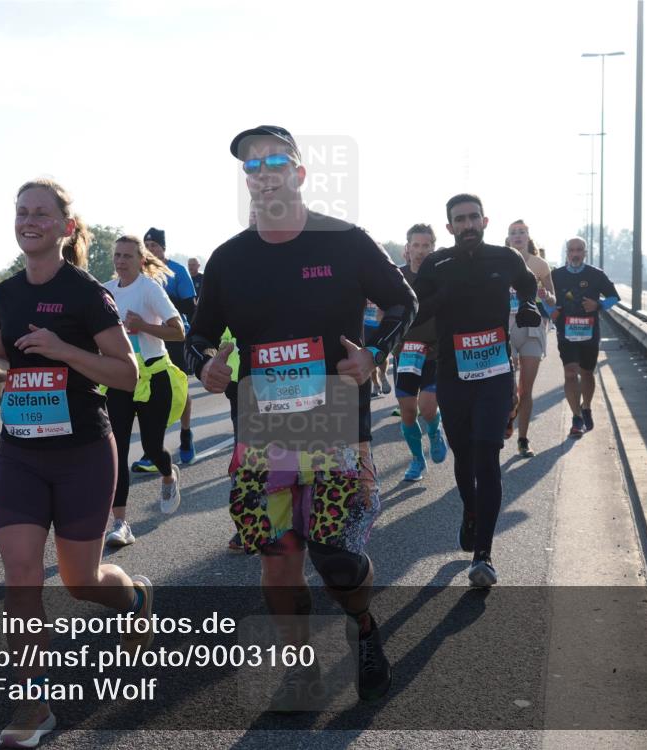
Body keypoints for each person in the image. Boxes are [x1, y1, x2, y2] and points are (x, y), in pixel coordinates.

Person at [187, 125, 416, 707]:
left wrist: (375, 354)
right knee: (280, 559)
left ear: (299, 173)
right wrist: (206, 367)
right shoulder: (229, 258)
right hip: (264, 431)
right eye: (251, 166)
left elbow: (402, 301)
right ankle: (299, 665)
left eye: (274, 161)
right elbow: (199, 335)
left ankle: (363, 627)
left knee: (336, 558)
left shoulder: (344, 241)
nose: (262, 173)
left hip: (337, 419)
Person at [0, 179, 153, 747]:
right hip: (20, 453)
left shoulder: (87, 293)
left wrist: (65, 349)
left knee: (80, 581)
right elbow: (8, 365)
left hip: (82, 456)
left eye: (41, 213)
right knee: (21, 574)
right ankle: (33, 704)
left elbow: (128, 374)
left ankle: (135, 600)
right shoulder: (6, 292)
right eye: (22, 212)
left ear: (65, 227)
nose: (30, 220)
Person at [412, 193, 538, 588]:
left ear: (485, 221)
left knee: (487, 454)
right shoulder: (437, 263)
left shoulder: (505, 259)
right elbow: (418, 309)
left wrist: (530, 306)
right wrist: (441, 298)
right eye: (459, 220)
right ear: (449, 228)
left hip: (496, 371)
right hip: (452, 372)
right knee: (464, 458)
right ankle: (470, 510)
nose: (467, 225)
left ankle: (483, 555)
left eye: (473, 218)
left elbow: (528, 283)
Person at [104, 235, 185, 547]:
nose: (121, 261)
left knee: (152, 448)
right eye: (118, 255)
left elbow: (178, 332)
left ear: (140, 259)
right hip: (121, 379)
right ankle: (121, 523)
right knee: (118, 451)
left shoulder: (150, 288)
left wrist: (142, 326)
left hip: (154, 376)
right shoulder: (107, 292)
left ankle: (167, 475)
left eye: (127, 256)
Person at [132, 228, 199, 468]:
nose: (150, 248)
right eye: (146, 244)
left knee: (179, 389)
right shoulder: (138, 273)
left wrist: (161, 302)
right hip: (145, 339)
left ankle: (185, 432)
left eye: (155, 244)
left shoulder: (177, 271)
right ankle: (152, 449)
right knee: (147, 395)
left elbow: (189, 307)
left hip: (174, 337)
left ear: (163, 248)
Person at [550, 236, 620, 436]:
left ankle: (586, 406)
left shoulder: (596, 275)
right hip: (566, 333)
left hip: (589, 333)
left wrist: (598, 305)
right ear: (567, 252)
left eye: (579, 250)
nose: (575, 253)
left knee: (587, 373)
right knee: (570, 373)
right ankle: (576, 417)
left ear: (585, 253)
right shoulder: (556, 275)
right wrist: (550, 311)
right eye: (571, 249)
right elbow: (543, 297)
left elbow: (614, 297)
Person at [394, 223, 447, 481]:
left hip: (434, 352)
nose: (421, 251)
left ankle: (435, 432)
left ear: (433, 248)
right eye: (416, 245)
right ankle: (417, 459)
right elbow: (386, 311)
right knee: (407, 411)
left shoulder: (440, 276)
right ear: (408, 247)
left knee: (427, 409)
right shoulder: (397, 277)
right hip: (405, 354)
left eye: (426, 245)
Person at [505, 219, 556, 457]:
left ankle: (523, 439)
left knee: (526, 389)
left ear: (528, 237)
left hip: (532, 329)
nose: (518, 236)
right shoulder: (499, 260)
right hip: (505, 328)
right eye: (514, 232)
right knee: (509, 390)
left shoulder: (539, 264)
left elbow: (553, 300)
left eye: (522, 232)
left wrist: (546, 296)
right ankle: (509, 412)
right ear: (508, 238)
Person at [364, 300, 393, 398]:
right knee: (369, 356)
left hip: (381, 324)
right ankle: (376, 385)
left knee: (382, 353)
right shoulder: (362, 285)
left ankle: (383, 376)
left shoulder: (382, 286)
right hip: (365, 326)